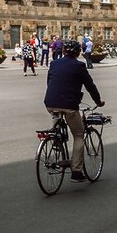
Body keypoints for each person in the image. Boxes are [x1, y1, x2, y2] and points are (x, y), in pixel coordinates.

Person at [43, 39, 105, 182]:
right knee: (78, 135)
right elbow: (90, 86)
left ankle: (56, 139)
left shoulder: (54, 63)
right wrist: (98, 102)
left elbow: (49, 82)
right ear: (78, 53)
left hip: (50, 103)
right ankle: (76, 171)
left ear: (64, 51)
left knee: (56, 114)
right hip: (69, 105)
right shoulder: (79, 66)